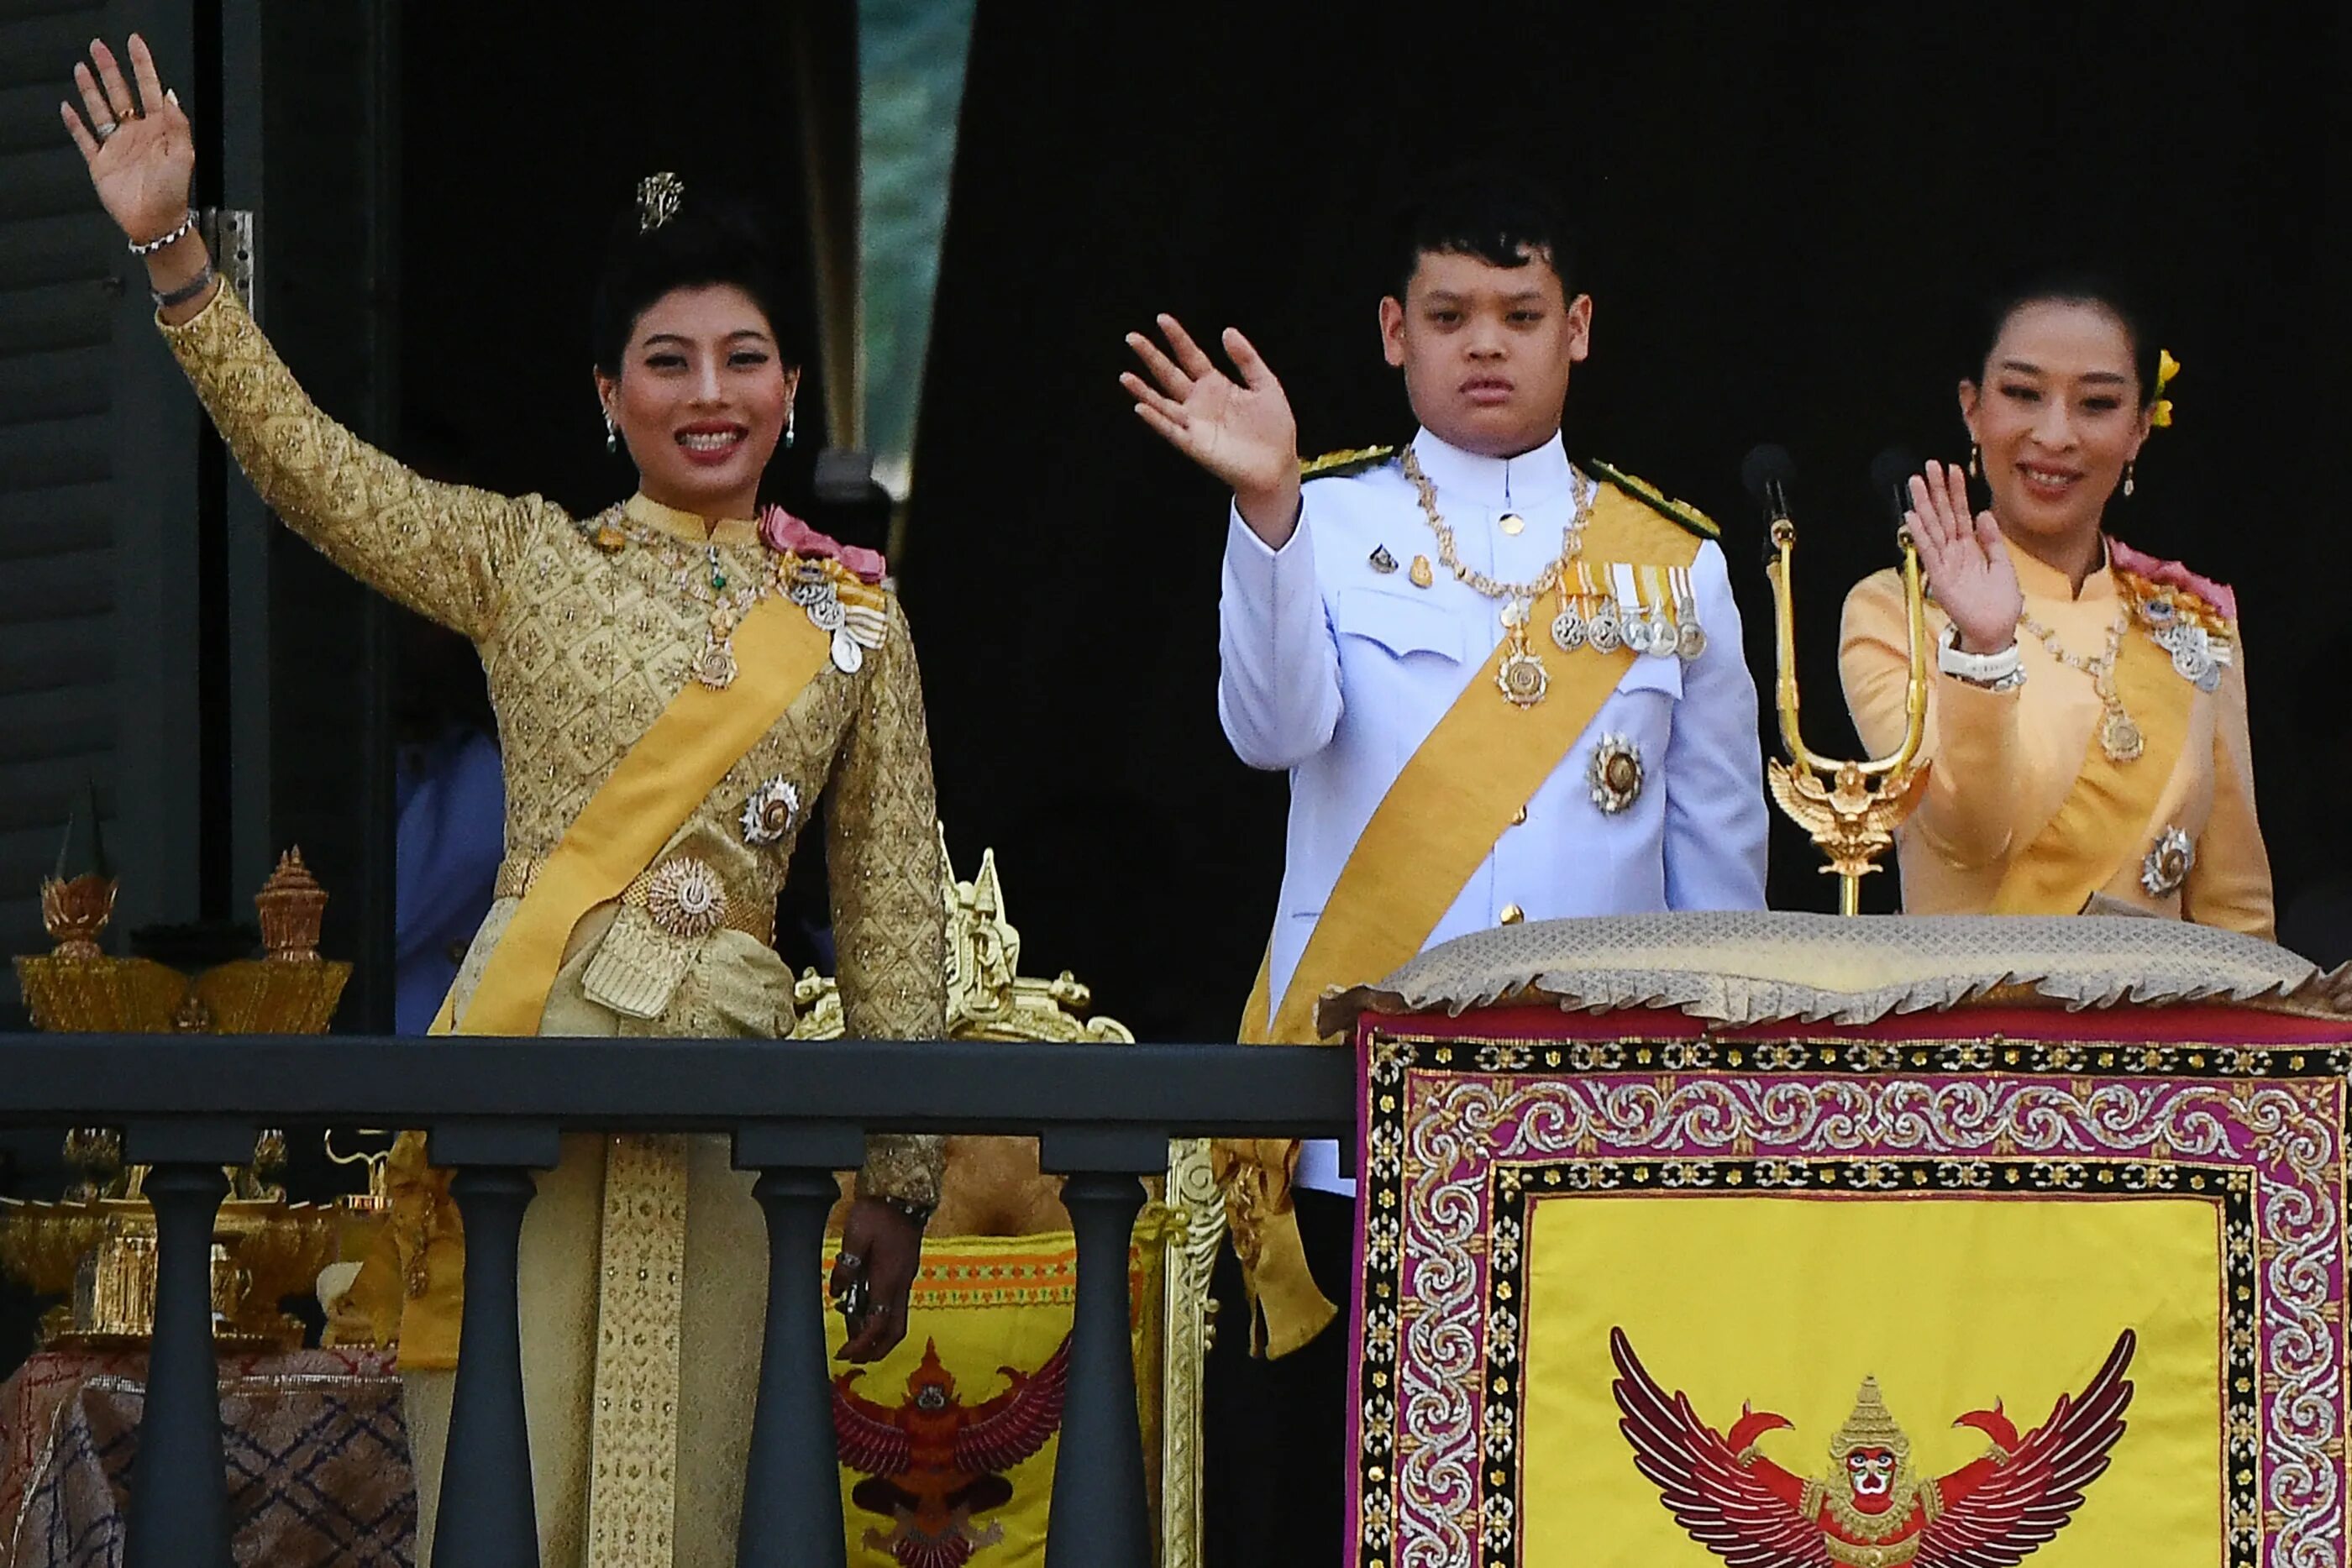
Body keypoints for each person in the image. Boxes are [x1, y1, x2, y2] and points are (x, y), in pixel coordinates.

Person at [62, 37, 945, 1565]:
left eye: (743, 357)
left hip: (739, 1107)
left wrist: (900, 1175)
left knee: (702, 1500)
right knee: (507, 1492)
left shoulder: (856, 618)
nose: (710, 392)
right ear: (610, 394)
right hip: (522, 1083)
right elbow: (314, 474)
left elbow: (889, 900)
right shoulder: (529, 560)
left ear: (793, 384)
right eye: (667, 361)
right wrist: (176, 259)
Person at [1121, 165, 1770, 1561]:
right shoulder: (1323, 519)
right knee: (1353, 1512)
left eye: (1519, 312)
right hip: (1360, 1128)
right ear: (1391, 332)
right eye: (1451, 312)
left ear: (1577, 327)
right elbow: (1267, 732)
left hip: (1601, 1134)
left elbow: (1722, 897)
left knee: (1584, 1515)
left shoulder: (1683, 566)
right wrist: (1270, 513)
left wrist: (1719, 1136)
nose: (1487, 341)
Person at [1839, 274, 2273, 936]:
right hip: (1975, 1031)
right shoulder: (1895, 611)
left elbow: (2236, 909)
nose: (2055, 433)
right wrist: (1983, 650)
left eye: (2096, 404)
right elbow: (1966, 834)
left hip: (2155, 1035)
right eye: (2022, 394)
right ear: (1972, 408)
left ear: (2139, 429)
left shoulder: (2193, 620)